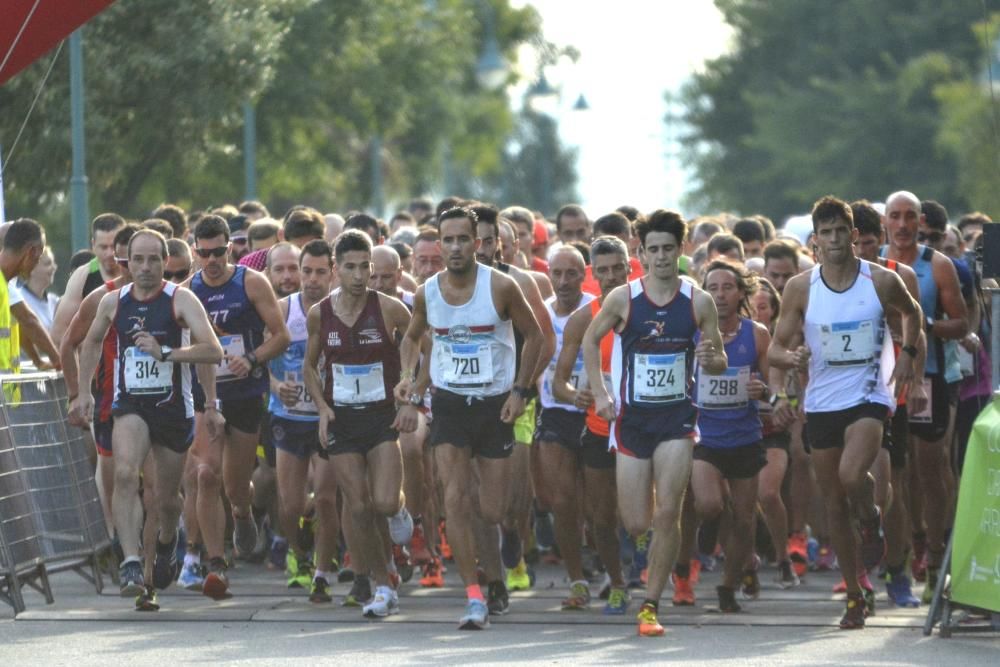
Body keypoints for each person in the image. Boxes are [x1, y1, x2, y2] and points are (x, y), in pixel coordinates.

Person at [770, 196, 921, 629]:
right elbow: (777, 347)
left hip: (870, 394)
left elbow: (914, 315)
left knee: (853, 476)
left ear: (854, 236)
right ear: (815, 241)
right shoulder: (801, 287)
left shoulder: (879, 281)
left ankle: (872, 517)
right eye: (827, 234)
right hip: (822, 402)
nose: (835, 241)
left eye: (842, 232)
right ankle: (854, 595)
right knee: (833, 502)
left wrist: (908, 353)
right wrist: (790, 359)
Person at [395, 206, 544, 630]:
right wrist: (408, 379)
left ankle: (495, 569)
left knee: (492, 509)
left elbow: (534, 337)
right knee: (456, 499)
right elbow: (411, 337)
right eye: (449, 240)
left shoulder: (501, 286)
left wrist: (520, 390)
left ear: (477, 244)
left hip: (495, 405)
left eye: (464, 239)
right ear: (439, 244)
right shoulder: (428, 291)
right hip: (449, 404)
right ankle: (475, 593)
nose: (456, 247)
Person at [582, 209, 727, 637]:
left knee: (668, 512)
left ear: (680, 250)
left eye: (668, 249)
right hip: (632, 421)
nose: (661, 257)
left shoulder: (698, 300)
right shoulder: (623, 299)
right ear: (640, 253)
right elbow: (591, 342)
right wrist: (602, 393)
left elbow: (717, 359)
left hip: (677, 420)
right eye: (653, 250)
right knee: (636, 521)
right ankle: (645, 548)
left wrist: (711, 359)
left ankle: (651, 603)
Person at [72, 230, 223, 601]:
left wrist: (166, 353)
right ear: (128, 263)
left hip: (172, 408)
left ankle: (170, 540)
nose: (144, 267)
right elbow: (90, 341)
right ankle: (131, 561)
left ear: (164, 261)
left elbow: (213, 351)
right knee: (125, 474)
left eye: (153, 259)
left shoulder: (180, 300)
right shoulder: (114, 302)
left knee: (166, 498)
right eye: (137, 260)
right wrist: (84, 391)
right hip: (131, 405)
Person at [303, 230, 415, 618]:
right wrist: (321, 406)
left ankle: (400, 510)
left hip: (382, 416)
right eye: (348, 267)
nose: (357, 275)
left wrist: (410, 389)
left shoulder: (389, 308)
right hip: (342, 419)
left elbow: (422, 343)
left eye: (363, 267)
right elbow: (309, 366)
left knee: (383, 502)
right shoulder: (321, 313)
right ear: (336, 269)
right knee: (358, 506)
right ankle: (383, 585)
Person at [186, 214, 290, 599]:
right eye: (204, 253)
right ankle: (216, 563)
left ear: (231, 248)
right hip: (204, 396)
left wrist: (252, 358)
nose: (211, 260)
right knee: (205, 476)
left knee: (234, 487)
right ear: (195, 251)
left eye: (219, 252)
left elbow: (281, 336)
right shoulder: (188, 289)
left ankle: (244, 515)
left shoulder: (250, 282)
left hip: (245, 393)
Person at [880, 191, 967, 601]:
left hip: (930, 377)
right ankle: (907, 548)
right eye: (894, 216)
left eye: (909, 216)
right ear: (884, 222)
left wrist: (921, 325)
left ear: (921, 222)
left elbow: (962, 323)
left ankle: (935, 560)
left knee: (930, 470)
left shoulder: (939, 266)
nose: (902, 224)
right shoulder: (874, 265)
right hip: (884, 381)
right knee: (898, 473)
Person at [550, 236, 632, 614]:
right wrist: (575, 396)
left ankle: (660, 571)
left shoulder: (652, 309)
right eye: (604, 271)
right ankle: (617, 582)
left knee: (640, 515)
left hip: (648, 427)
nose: (612, 276)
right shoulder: (584, 320)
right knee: (602, 516)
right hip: (600, 427)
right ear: (593, 275)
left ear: (630, 268)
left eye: (618, 268)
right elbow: (559, 381)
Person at [687, 261, 771, 612]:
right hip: (704, 434)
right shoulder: (691, 332)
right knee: (710, 504)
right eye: (713, 288)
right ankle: (710, 528)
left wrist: (760, 389)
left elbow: (770, 389)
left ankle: (728, 585)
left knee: (745, 518)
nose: (720, 295)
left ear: (741, 293)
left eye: (728, 287)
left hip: (745, 435)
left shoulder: (758, 334)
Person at [267, 239, 343, 603]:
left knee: (327, 499)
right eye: (305, 271)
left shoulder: (341, 310)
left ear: (333, 273)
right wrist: (276, 384)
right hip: (288, 417)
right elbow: (260, 359)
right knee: (291, 503)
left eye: (319, 272)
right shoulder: (282, 311)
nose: (311, 280)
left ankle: (321, 572)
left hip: (327, 419)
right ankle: (297, 552)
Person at [51, 213, 126, 342]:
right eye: (103, 247)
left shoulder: (139, 270)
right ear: (93, 245)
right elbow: (59, 332)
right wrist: (86, 351)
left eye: (114, 247)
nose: (110, 253)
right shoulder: (83, 276)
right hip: (98, 358)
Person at [17, 246, 58, 331]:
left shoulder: (55, 301)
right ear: (31, 268)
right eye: (48, 264)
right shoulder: (18, 299)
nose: (54, 267)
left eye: (53, 263)